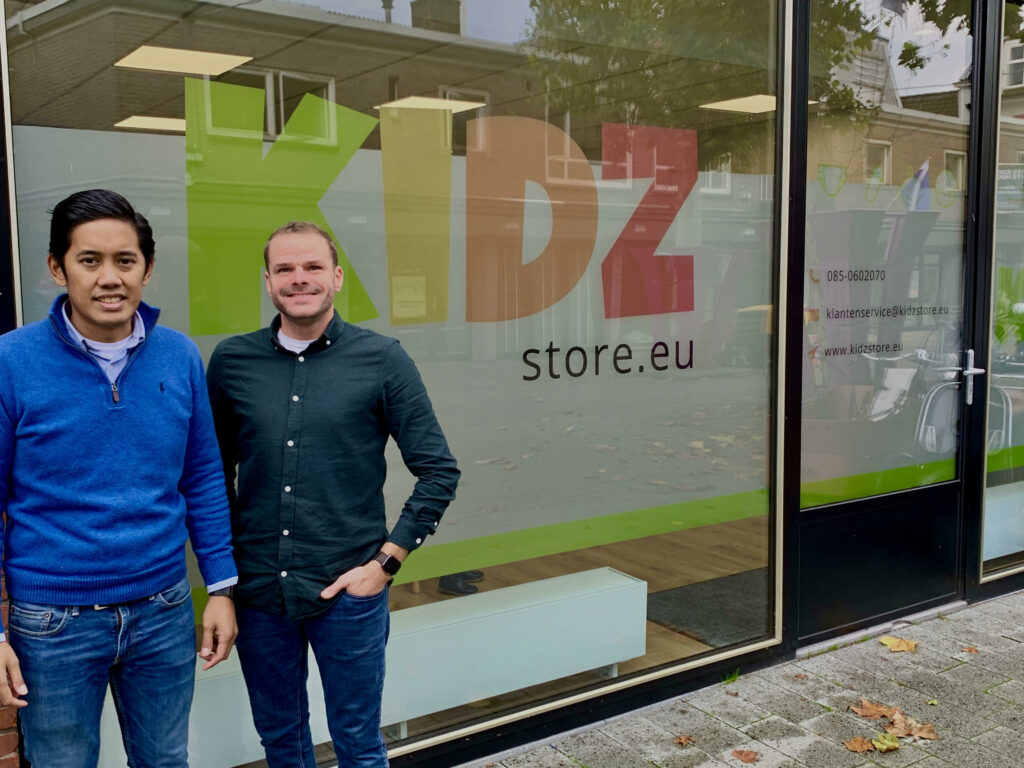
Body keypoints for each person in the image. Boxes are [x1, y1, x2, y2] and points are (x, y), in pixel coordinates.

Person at [207, 221, 460, 767]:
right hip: (259, 593)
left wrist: (385, 564)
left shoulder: (382, 359)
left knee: (358, 743)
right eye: (285, 268)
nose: (299, 278)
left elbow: (439, 471)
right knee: (282, 742)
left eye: (313, 266)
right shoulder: (231, 363)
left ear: (337, 277)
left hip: (349, 591)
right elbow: (211, 478)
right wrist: (222, 584)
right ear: (268, 281)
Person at [0, 189, 238, 766]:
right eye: (90, 260)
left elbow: (203, 476)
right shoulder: (11, 361)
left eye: (125, 260)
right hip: (53, 622)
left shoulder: (179, 355)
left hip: (164, 609)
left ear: (147, 270)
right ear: (57, 268)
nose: (110, 278)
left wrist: (221, 587)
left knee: (165, 760)